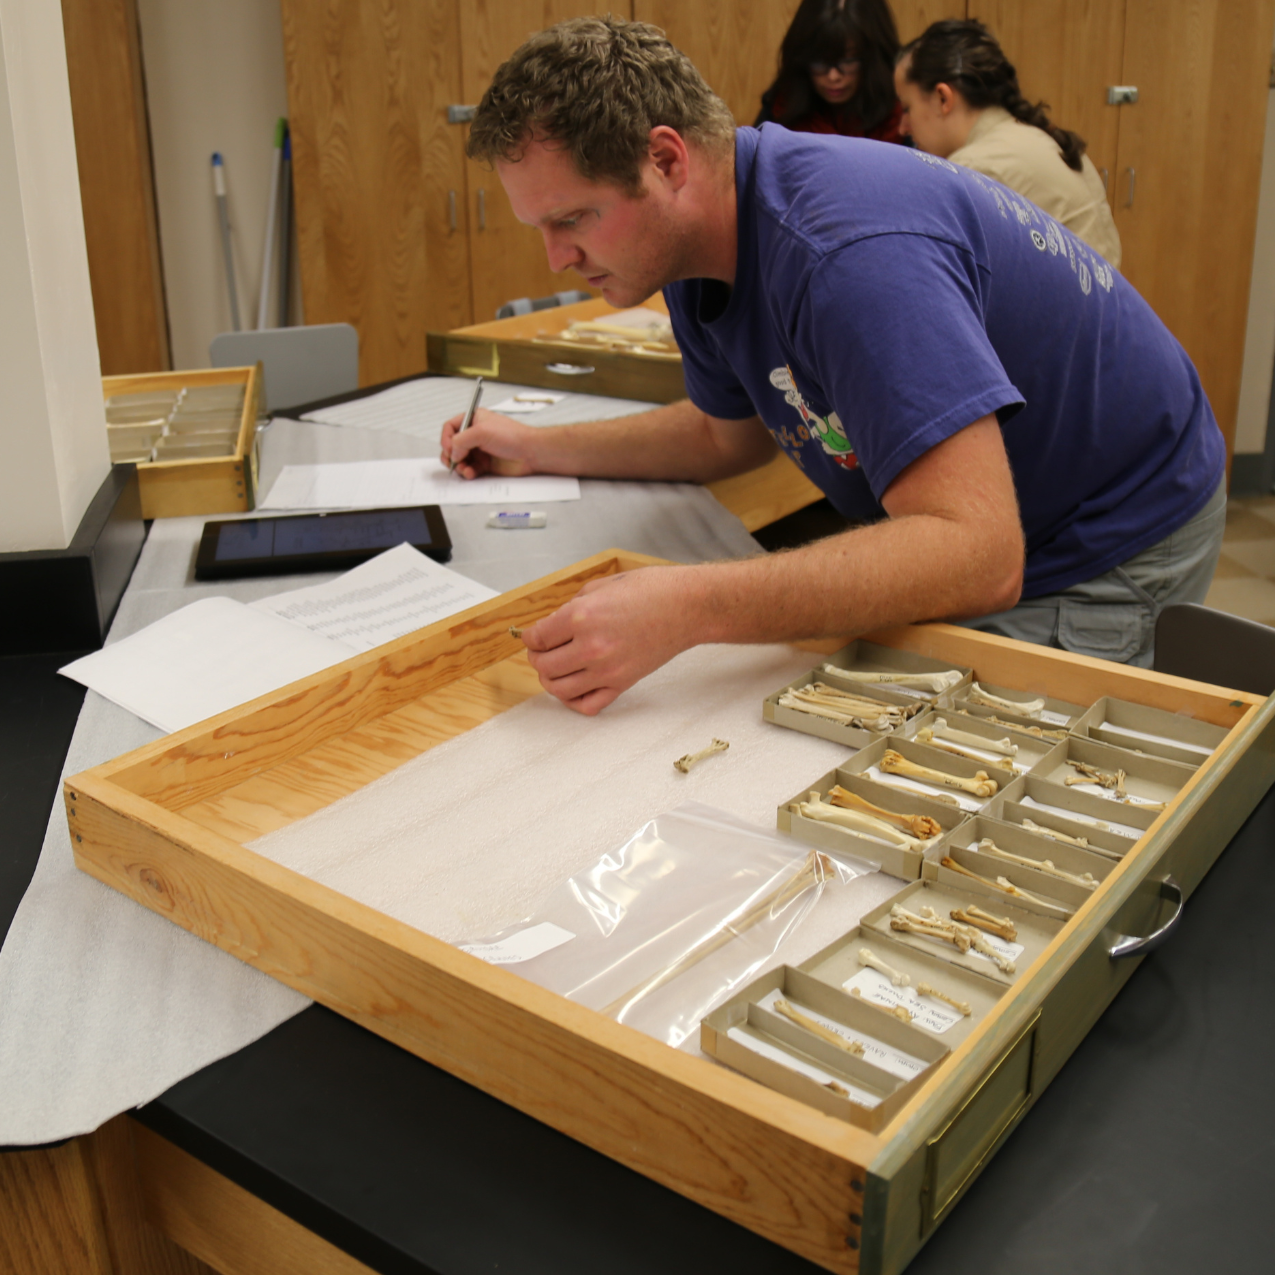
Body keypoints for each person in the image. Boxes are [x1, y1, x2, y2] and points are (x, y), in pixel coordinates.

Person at [445, 17, 1225, 716]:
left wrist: (689, 604)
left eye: (571, 218)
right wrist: (542, 447)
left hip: (1107, 530)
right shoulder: (690, 248)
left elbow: (977, 553)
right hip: (999, 522)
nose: (556, 257)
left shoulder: (847, 256)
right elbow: (728, 438)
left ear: (664, 161)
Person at [895, 19, 1121, 267]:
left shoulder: (977, 167)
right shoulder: (1032, 136)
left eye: (907, 108)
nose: (902, 127)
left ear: (942, 98)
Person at [755, 0, 906, 143]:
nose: (833, 77)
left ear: (873, 58)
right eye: (819, 62)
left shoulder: (905, 116)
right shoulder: (782, 106)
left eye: (848, 61)